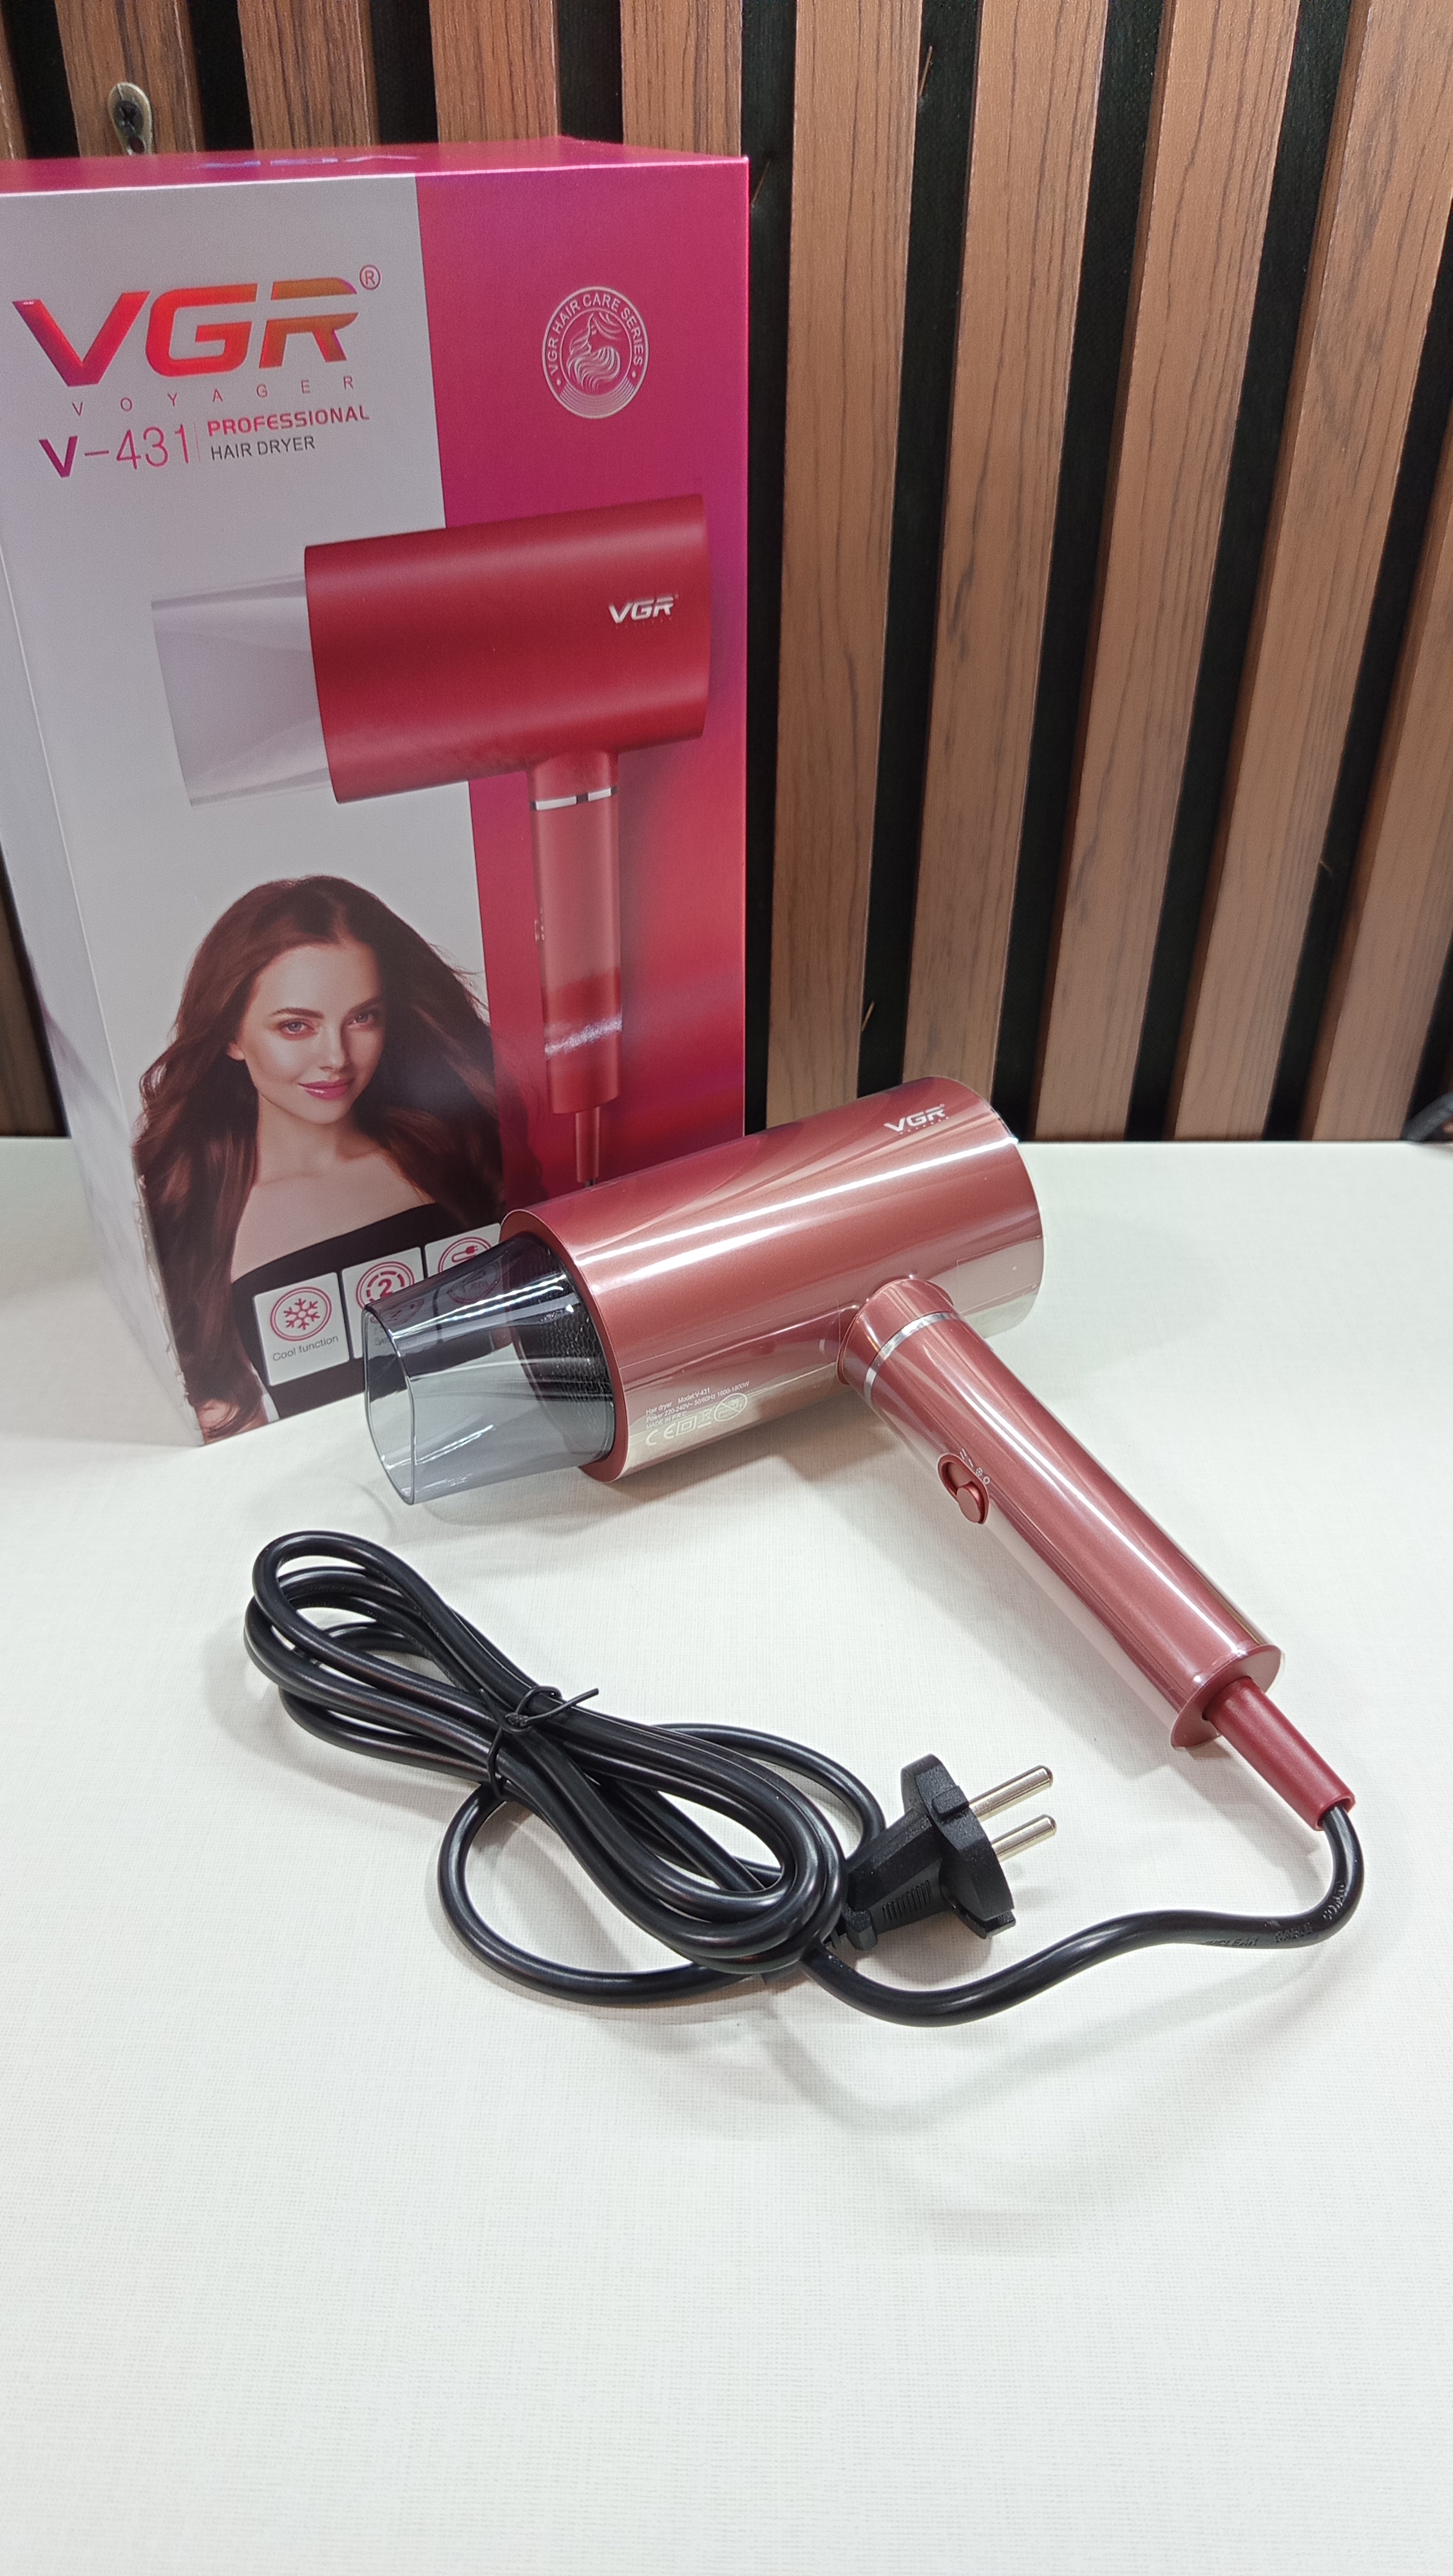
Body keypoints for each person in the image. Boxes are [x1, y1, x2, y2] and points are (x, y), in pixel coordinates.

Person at [136, 876, 506, 1438]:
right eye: (296, 1026)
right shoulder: (193, 1213)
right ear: (232, 1036)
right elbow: (226, 1429)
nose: (336, 1057)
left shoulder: (461, 1150)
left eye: (363, 1018)